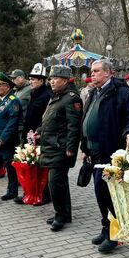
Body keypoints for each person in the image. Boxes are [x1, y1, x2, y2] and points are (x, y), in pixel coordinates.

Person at [80, 59, 129, 254]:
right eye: (92, 71)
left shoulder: (122, 93)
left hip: (111, 151)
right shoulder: (93, 92)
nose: (93, 74)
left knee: (109, 194)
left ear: (109, 73)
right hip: (94, 151)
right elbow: (88, 119)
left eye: (97, 71)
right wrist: (85, 146)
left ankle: (114, 235)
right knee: (100, 193)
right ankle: (106, 227)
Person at [37, 65, 83, 231]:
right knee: (60, 182)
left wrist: (71, 146)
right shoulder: (57, 96)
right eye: (50, 79)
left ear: (64, 80)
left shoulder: (71, 98)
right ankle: (65, 213)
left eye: (55, 78)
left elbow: (73, 125)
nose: (51, 81)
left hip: (60, 148)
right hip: (51, 145)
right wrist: (39, 132)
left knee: (55, 182)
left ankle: (60, 216)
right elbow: (51, 120)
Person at [14, 63, 52, 205]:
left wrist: (40, 132)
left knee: (40, 166)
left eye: (34, 79)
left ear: (41, 80)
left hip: (39, 135)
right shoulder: (33, 93)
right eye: (30, 79)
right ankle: (29, 192)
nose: (31, 81)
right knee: (29, 164)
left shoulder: (47, 95)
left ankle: (44, 195)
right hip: (29, 134)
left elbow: (46, 117)